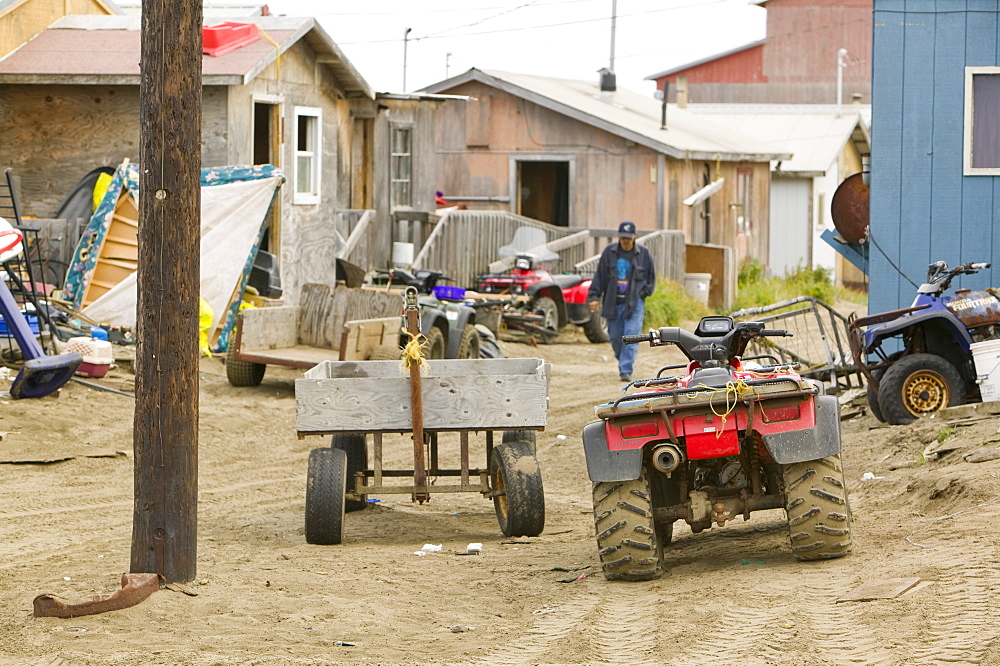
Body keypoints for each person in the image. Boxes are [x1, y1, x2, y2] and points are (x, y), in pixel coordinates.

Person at [587, 221, 656, 382]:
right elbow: (600, 277)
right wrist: (594, 297)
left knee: (631, 335)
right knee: (615, 337)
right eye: (623, 238)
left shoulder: (644, 254)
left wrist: (644, 293)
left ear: (634, 237)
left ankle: (625, 369)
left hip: (634, 303)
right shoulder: (609, 253)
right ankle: (623, 359)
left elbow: (651, 278)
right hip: (613, 302)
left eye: (628, 238)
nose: (625, 241)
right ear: (619, 237)